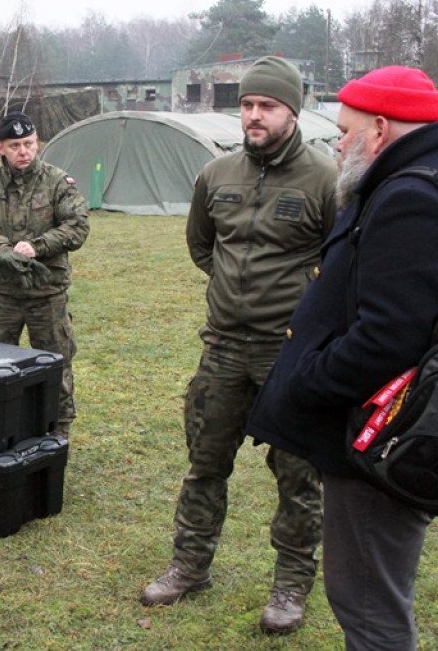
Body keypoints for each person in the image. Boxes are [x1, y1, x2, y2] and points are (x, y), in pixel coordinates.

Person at [140, 56, 338, 635]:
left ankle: (291, 585)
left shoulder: (325, 179)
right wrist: (234, 291)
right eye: (247, 104)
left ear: (291, 111)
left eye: (266, 106)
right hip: (223, 347)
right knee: (205, 464)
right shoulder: (217, 173)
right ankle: (190, 566)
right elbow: (203, 247)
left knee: (298, 474)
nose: (253, 115)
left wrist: (298, 305)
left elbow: (342, 259)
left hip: (290, 354)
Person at [247, 66, 438, 650]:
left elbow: (388, 337)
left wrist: (306, 381)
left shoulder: (409, 197)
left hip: (376, 442)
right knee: (369, 597)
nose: (337, 142)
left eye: (346, 131)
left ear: (380, 130)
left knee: (367, 604)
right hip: (385, 430)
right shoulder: (410, 181)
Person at [0, 111, 90, 439]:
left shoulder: (57, 182)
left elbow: (77, 226)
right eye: (15, 145)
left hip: (47, 294)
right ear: (1, 148)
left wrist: (38, 246)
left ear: (38, 144)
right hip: (4, 296)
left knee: (55, 364)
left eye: (30, 143)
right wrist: (1, 250)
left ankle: (58, 431)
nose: (24, 151)